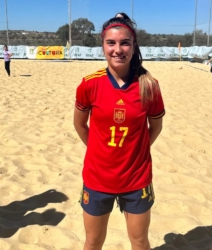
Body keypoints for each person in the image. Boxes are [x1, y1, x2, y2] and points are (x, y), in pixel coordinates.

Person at [74, 12, 165, 250]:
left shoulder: (149, 86)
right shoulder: (89, 84)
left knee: (140, 240)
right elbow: (80, 125)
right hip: (97, 177)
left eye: (125, 42)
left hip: (136, 178)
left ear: (134, 46)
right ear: (103, 45)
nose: (118, 49)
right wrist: (98, 150)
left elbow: (155, 127)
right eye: (111, 42)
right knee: (93, 241)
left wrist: (136, 150)